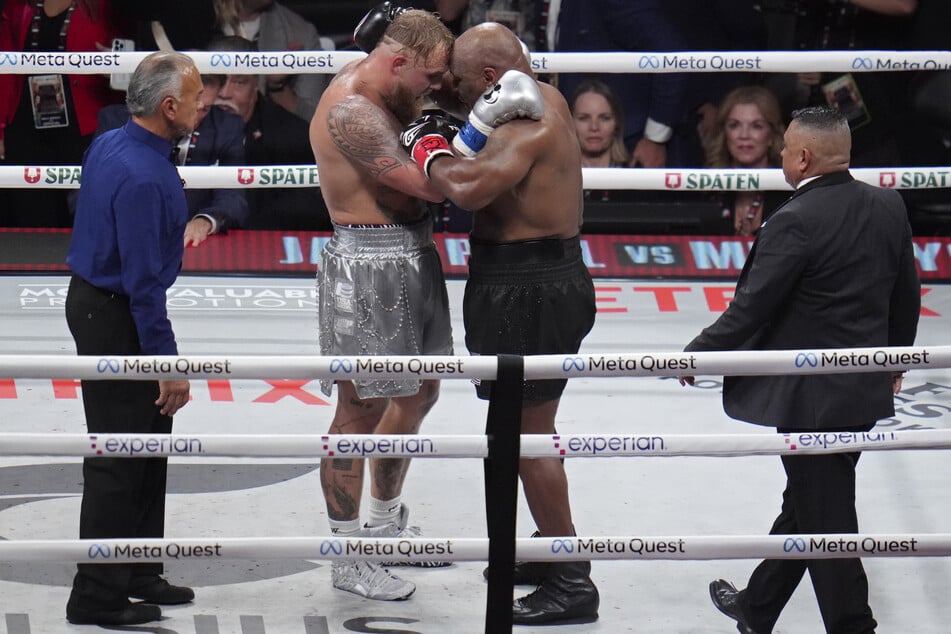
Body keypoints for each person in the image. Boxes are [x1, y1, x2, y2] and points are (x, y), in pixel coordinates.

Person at [678, 106, 921, 634]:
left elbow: (751, 308)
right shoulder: (887, 204)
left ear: (803, 156)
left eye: (786, 148)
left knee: (828, 518)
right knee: (811, 500)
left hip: (811, 398)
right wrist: (896, 356)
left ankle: (853, 625)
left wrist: (696, 353)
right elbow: (907, 289)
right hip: (861, 387)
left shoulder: (794, 220)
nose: (782, 155)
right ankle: (758, 607)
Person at [401, 22, 599, 625]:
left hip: (531, 289)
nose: (451, 93)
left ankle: (572, 580)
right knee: (510, 431)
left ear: (490, 80)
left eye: (459, 84)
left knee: (530, 437)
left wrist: (428, 146)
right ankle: (543, 550)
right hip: (527, 280)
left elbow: (465, 188)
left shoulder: (529, 124)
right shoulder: (545, 96)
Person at [308, 8, 455, 601]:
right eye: (432, 76)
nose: (437, 87)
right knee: (359, 410)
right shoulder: (353, 112)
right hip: (368, 265)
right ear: (399, 63)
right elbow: (433, 184)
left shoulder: (390, 85)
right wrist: (476, 135)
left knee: (421, 390)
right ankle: (348, 556)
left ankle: (385, 524)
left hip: (414, 252)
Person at [63, 50, 200, 626]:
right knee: (120, 454)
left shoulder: (113, 142)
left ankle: (138, 568)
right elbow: (144, 287)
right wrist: (166, 364)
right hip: (116, 312)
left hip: (101, 302)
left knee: (149, 440)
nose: (205, 102)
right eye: (196, 96)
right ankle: (97, 593)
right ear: (169, 107)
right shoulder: (144, 176)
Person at [0, 0, 130, 227]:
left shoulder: (103, 7)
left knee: (86, 215)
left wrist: (117, 67)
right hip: (25, 128)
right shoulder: (17, 6)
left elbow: (128, 53)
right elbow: (6, 74)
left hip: (85, 128)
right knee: (31, 214)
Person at [90, 72, 249, 245]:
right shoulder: (117, 122)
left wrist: (204, 221)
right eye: (190, 106)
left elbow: (234, 196)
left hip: (192, 246)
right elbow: (87, 193)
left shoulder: (226, 127)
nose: (195, 117)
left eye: (205, 109)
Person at [210, 35, 328, 230]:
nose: (225, 93)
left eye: (239, 83)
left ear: (256, 84)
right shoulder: (184, 130)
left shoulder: (293, 136)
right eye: (218, 82)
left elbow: (306, 211)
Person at [213, 0, 331, 122]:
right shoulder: (195, 20)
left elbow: (313, 120)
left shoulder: (300, 33)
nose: (225, 93)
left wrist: (277, 87)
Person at [703, 85, 786, 236]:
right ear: (724, 134)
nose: (744, 135)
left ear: (772, 136)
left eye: (757, 126)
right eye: (734, 125)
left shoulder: (789, 196)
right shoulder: (707, 192)